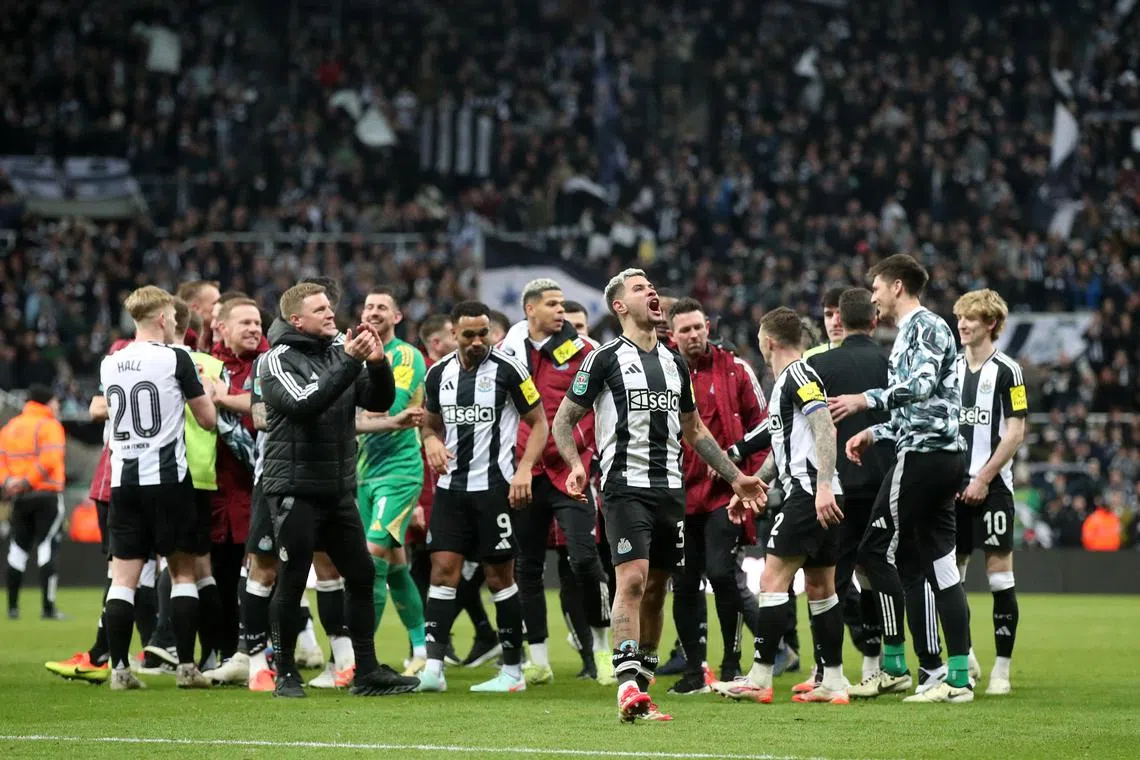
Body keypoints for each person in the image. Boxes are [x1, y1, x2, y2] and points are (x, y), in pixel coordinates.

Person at [552, 268, 765, 723]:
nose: (651, 291)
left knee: (656, 590)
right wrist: (574, 464)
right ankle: (626, 684)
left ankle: (641, 689)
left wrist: (735, 477)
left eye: (651, 286)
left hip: (672, 490)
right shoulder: (604, 359)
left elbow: (694, 429)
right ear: (620, 306)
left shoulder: (674, 362)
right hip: (624, 486)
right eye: (639, 288)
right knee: (630, 580)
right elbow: (563, 420)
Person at [258, 281, 419, 698]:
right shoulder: (276, 361)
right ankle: (285, 673)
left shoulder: (336, 352)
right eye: (321, 310)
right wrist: (350, 361)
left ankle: (365, 669)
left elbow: (378, 402)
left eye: (330, 308)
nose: (332, 314)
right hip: (294, 489)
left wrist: (379, 365)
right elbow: (304, 405)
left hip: (338, 488)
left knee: (362, 574)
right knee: (292, 579)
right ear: (297, 320)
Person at [829, 253, 973, 704]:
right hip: (937, 452)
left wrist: (864, 402)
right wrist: (876, 432)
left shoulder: (924, 326)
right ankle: (955, 677)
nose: (871, 296)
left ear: (896, 286)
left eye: (876, 287)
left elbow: (924, 386)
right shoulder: (914, 330)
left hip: (925, 457)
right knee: (935, 565)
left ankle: (906, 667)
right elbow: (922, 408)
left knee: (874, 550)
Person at [710, 307, 847, 705]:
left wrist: (820, 487)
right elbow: (788, 447)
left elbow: (825, 427)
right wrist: (753, 485)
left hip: (809, 494)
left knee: (771, 582)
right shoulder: (788, 381)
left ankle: (759, 679)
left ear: (767, 340)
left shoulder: (799, 375)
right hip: (819, 491)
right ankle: (834, 682)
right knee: (821, 588)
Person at [415, 300, 548, 694]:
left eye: (483, 333)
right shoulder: (438, 373)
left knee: (498, 577)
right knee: (442, 573)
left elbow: (539, 423)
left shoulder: (509, 370)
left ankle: (512, 672)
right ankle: (434, 670)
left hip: (494, 488)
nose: (477, 341)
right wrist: (431, 441)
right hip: (451, 490)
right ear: (453, 334)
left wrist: (524, 468)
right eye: (469, 334)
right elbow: (430, 423)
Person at [98, 286, 217, 690]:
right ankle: (187, 668)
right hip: (168, 481)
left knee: (123, 580)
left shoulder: (110, 363)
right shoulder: (176, 358)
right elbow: (207, 420)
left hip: (124, 482)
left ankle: (118, 670)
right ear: (164, 318)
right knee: (183, 573)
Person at [498, 279, 613, 686]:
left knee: (584, 559)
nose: (560, 310)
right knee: (526, 567)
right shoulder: (509, 354)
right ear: (530, 309)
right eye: (552, 304)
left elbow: (606, 409)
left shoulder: (586, 353)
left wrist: (595, 456)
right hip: (525, 472)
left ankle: (603, 652)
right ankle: (540, 660)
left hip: (571, 471)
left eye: (562, 303)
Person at [665, 297, 768, 693]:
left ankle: (730, 664)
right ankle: (694, 671)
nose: (693, 335)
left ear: (707, 326)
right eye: (684, 330)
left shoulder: (736, 370)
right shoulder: (663, 371)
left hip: (725, 493)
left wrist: (753, 479)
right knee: (686, 582)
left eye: (697, 327)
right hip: (676, 495)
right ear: (672, 335)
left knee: (723, 575)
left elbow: (763, 427)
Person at [802, 288, 892, 686]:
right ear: (874, 320)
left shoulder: (817, 365)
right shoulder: (892, 364)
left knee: (829, 579)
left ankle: (827, 668)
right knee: (880, 571)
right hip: (886, 482)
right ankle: (883, 663)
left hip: (835, 485)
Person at [952, 289, 1029, 696]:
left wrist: (983, 477)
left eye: (972, 318)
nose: (963, 324)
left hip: (993, 488)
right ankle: (964, 654)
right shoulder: (951, 368)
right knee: (953, 579)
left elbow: (1015, 432)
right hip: (954, 490)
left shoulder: (1008, 371)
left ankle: (1002, 669)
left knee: (1000, 579)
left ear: (991, 324)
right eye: (961, 317)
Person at [354, 288, 430, 675]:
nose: (374, 312)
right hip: (364, 475)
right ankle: (421, 649)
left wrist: (343, 414)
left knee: (372, 561)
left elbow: (388, 406)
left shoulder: (405, 356)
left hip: (399, 472)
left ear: (397, 316)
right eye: (369, 306)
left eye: (382, 307)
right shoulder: (352, 355)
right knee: (397, 567)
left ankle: (359, 660)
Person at [202, 297, 265, 671]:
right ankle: (226, 652)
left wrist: (223, 396)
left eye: (257, 322)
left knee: (263, 577)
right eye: (245, 323)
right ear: (222, 327)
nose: (255, 329)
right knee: (221, 578)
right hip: (215, 489)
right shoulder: (202, 366)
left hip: (258, 488)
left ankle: (263, 653)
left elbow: (270, 409)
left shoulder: (270, 364)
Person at [2, 384, 66, 620]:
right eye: (56, 402)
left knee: (17, 550)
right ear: (47, 402)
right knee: (47, 547)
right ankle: (48, 608)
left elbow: (1, 461)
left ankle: (12, 608)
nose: (58, 406)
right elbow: (50, 459)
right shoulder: (49, 425)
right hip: (46, 495)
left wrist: (10, 483)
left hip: (19, 498)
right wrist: (28, 481)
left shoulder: (10, 427)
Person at [803, 288, 846, 359]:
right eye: (829, 314)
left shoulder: (867, 354)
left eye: (840, 314)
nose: (834, 323)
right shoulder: (810, 358)